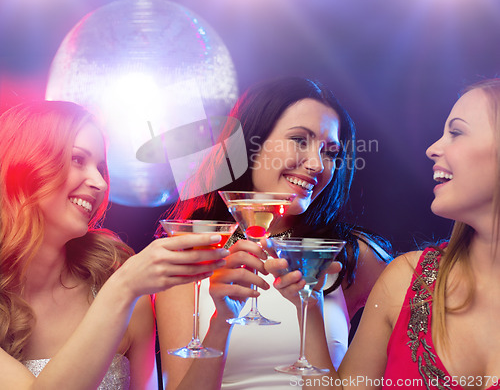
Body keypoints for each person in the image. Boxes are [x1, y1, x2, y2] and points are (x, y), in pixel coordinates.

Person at [156, 77, 392, 389]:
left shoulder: (345, 256)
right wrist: (220, 323)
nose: (316, 164)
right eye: (299, 140)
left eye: (330, 151)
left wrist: (311, 305)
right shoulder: (188, 252)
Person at [266, 77, 500, 389]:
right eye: (298, 140)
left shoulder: (359, 257)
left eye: (456, 132)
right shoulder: (405, 279)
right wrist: (308, 305)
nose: (433, 148)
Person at [0, 100, 230, 390]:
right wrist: (122, 288)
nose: (100, 182)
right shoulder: (123, 285)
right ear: (25, 166)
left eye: (100, 167)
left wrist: (222, 321)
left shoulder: (115, 277)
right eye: (77, 160)